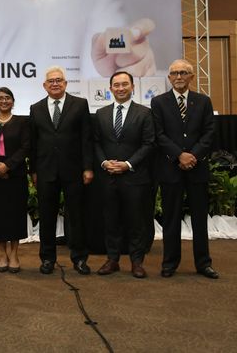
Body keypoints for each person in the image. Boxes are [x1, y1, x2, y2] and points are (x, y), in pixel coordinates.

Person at [150, 59, 219, 279]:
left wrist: (193, 156)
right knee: (171, 219)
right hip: (171, 168)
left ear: (191, 77)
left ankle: (203, 263)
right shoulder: (158, 102)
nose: (179, 77)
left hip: (197, 168)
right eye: (175, 73)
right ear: (169, 77)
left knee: (199, 218)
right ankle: (170, 263)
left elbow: (209, 132)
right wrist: (179, 155)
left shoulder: (203, 101)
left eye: (183, 72)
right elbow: (159, 134)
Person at [29, 66, 93, 275]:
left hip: (74, 170)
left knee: (77, 217)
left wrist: (88, 167)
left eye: (59, 80)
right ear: (44, 85)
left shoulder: (80, 104)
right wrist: (33, 171)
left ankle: (80, 258)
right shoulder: (36, 108)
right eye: (51, 81)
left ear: (65, 83)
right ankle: (47, 259)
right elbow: (33, 143)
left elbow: (86, 138)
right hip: (45, 171)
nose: (55, 84)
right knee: (47, 217)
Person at [93, 71, 155, 278]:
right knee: (111, 221)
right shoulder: (101, 113)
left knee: (136, 222)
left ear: (132, 87)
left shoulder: (144, 113)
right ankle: (112, 260)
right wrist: (104, 162)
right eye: (116, 85)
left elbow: (149, 144)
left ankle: (137, 262)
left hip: (134, 178)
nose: (120, 88)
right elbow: (96, 143)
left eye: (124, 84)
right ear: (110, 88)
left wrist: (128, 164)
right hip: (108, 177)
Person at [0, 87, 30, 273]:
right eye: (0, 98)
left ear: (13, 101)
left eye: (7, 98)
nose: (4, 101)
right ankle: (2, 254)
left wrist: (8, 166)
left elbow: (25, 147)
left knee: (15, 215)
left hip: (15, 176)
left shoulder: (22, 122)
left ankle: (14, 254)